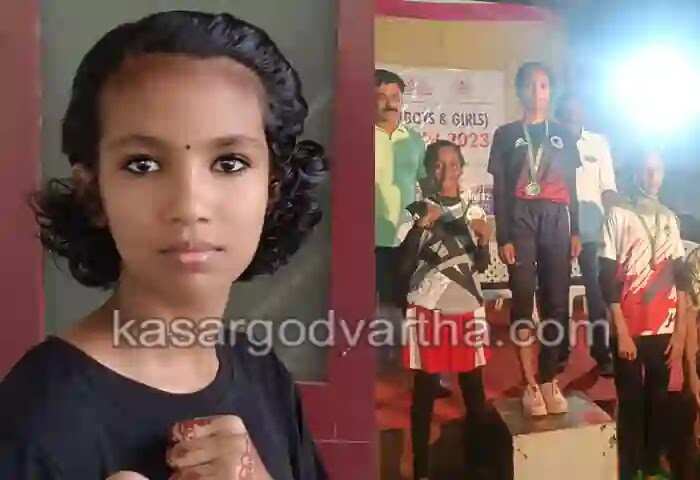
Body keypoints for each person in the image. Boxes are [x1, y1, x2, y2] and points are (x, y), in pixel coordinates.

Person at [0, 11, 328, 480]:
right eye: (143, 165)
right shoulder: (35, 419)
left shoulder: (264, 373)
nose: (189, 206)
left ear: (272, 189)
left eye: (230, 163)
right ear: (94, 193)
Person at [487, 62, 581, 416]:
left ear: (550, 91)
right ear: (519, 90)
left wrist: (575, 230)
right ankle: (529, 383)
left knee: (557, 303)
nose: (536, 92)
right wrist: (504, 236)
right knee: (524, 300)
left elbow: (573, 187)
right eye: (530, 85)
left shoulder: (563, 135)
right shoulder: (506, 134)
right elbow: (500, 191)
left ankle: (548, 378)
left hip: (556, 218)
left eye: (543, 85)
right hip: (521, 218)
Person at [395, 140, 492, 480]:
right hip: (428, 310)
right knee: (424, 396)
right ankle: (421, 470)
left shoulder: (474, 211)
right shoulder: (415, 210)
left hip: (467, 309)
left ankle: (478, 466)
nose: (446, 171)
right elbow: (402, 267)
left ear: (461, 168)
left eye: (452, 164)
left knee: (474, 393)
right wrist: (420, 227)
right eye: (438, 164)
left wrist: (484, 242)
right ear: (428, 170)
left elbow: (480, 265)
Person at [599, 150, 689, 480]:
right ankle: (629, 467)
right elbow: (606, 278)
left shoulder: (669, 218)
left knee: (659, 399)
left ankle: (652, 464)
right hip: (629, 326)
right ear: (635, 173)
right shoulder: (617, 215)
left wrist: (680, 332)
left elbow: (681, 280)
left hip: (663, 326)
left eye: (658, 170)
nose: (652, 177)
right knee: (631, 402)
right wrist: (621, 331)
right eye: (646, 170)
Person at [556, 91, 618, 376]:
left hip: (593, 232)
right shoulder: (551, 142)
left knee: (597, 294)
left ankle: (602, 352)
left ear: (583, 112)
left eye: (577, 109)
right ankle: (558, 350)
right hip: (558, 229)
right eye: (567, 110)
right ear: (560, 113)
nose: (572, 114)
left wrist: (616, 220)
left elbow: (608, 188)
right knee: (557, 294)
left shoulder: (598, 143)